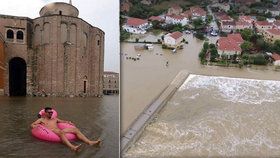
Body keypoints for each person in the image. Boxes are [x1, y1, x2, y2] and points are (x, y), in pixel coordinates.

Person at [31, 107, 101, 152]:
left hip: (59, 130)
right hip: (52, 132)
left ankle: (89, 142)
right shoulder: (41, 120)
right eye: (49, 112)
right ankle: (72, 147)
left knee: (75, 129)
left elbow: (63, 121)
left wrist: (68, 122)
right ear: (45, 113)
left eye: (51, 112)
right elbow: (32, 125)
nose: (51, 113)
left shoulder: (54, 119)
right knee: (60, 132)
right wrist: (37, 126)